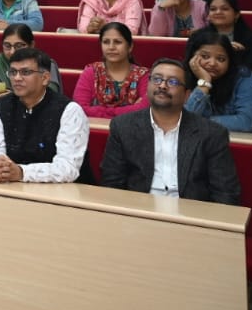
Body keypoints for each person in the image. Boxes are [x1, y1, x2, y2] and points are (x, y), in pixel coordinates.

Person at [183, 28, 252, 250]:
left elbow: (246, 121)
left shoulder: (243, 76)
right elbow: (185, 121)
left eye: (221, 58)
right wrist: (204, 83)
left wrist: (201, 123)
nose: (212, 63)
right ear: (193, 57)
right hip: (203, 159)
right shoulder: (183, 77)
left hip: (251, 159)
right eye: (204, 56)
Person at [100, 58, 240, 204]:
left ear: (187, 95)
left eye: (172, 82)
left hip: (191, 215)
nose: (162, 85)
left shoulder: (212, 134)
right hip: (138, 211)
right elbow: (111, 183)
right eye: (157, 79)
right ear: (147, 87)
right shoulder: (123, 127)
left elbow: (225, 193)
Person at [0, 47, 91, 183]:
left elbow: (68, 168)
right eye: (13, 72)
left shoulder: (70, 111)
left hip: (63, 193)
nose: (17, 78)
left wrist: (22, 172)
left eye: (25, 72)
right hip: (11, 186)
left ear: (45, 78)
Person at [0, 24, 62, 108]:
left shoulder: (45, 64)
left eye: (19, 46)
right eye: (7, 46)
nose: (12, 51)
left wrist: (13, 98)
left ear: (32, 45)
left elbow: (50, 96)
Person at [71, 23, 150, 118]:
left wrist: (96, 110)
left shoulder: (143, 75)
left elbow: (145, 109)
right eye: (106, 42)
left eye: (118, 42)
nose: (111, 47)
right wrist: (132, 109)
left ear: (130, 47)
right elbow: (79, 108)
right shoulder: (91, 71)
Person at [204, 0, 252, 85]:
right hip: (207, 85)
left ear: (236, 14)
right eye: (213, 9)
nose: (218, 12)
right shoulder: (199, 37)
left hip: (241, 88)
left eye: (225, 9)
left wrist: (233, 55)